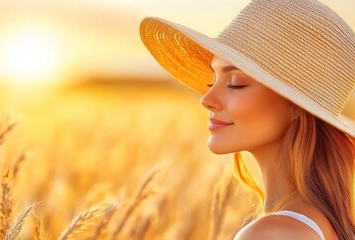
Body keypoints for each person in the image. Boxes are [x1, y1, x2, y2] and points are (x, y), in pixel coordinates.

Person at [139, 0, 355, 239]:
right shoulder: (323, 225)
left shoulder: (271, 233)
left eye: (236, 83)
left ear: (297, 107)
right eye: (213, 80)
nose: (207, 98)